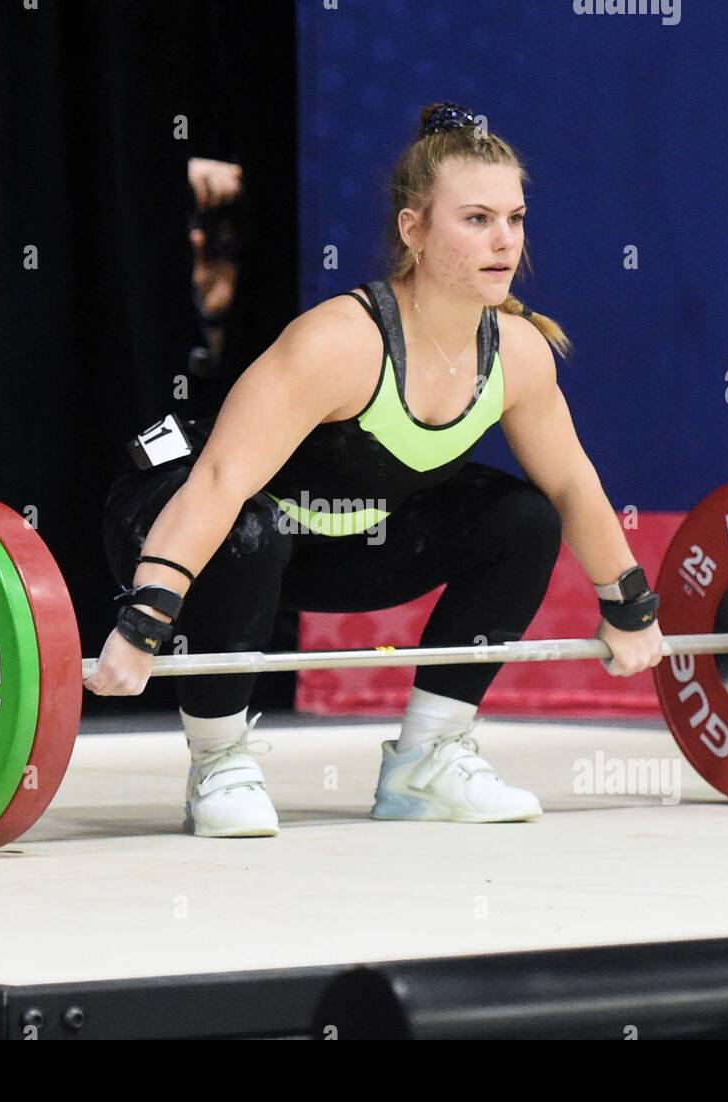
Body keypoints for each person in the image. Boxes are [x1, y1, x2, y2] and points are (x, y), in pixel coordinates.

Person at [88, 102, 664, 837]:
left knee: (521, 518)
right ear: (413, 231)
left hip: (329, 541)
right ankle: (219, 759)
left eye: (515, 219)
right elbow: (220, 484)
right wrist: (144, 621)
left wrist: (630, 608)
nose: (505, 241)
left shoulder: (517, 354)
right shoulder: (340, 343)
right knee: (252, 523)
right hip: (178, 520)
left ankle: (427, 760)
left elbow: (572, 485)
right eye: (477, 219)